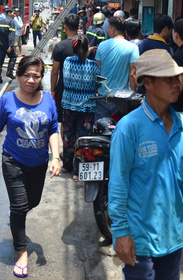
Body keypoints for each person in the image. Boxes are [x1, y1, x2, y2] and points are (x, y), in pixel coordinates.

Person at [109, 50, 183, 279]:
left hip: (173, 237)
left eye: (176, 77)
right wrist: (120, 233)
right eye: (168, 78)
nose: (177, 83)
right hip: (139, 240)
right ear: (148, 83)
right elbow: (118, 185)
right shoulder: (129, 127)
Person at [0, 56, 61, 278]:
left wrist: (56, 157)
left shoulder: (49, 100)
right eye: (27, 75)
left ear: (41, 77)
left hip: (39, 162)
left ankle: (15, 213)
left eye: (36, 76)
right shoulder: (7, 100)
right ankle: (21, 252)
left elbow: (53, 129)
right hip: (12, 160)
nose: (31, 80)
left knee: (34, 201)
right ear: (18, 75)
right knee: (21, 207)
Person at [61, 35, 100, 178]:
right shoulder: (92, 65)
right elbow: (97, 84)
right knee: (82, 138)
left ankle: (66, 166)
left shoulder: (67, 61)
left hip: (68, 104)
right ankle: (78, 171)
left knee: (68, 136)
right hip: (87, 107)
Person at [95, 16, 139, 118]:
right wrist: (134, 95)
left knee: (101, 128)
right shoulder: (133, 48)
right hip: (122, 99)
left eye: (108, 28)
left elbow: (98, 71)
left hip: (103, 96)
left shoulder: (102, 46)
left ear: (113, 30)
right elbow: (133, 74)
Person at [50, 13, 79, 121]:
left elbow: (54, 71)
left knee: (64, 120)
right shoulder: (85, 44)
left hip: (64, 87)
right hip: (82, 88)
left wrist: (53, 90)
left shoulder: (59, 47)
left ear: (65, 27)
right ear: (79, 27)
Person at [0, 6, 18, 83]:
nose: (14, 15)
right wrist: (11, 46)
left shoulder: (0, 21)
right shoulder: (11, 22)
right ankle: (9, 72)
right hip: (7, 45)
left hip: (0, 45)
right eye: (13, 13)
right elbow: (11, 35)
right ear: (8, 13)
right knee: (13, 57)